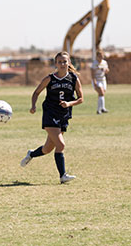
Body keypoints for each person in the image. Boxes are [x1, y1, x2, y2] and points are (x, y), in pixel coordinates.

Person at [20, 51, 84, 184]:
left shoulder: (74, 79)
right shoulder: (50, 78)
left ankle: (31, 154)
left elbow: (81, 99)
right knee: (61, 144)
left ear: (69, 63)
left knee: (48, 148)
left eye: (65, 61)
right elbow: (36, 92)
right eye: (59, 62)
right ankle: (63, 176)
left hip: (64, 115)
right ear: (55, 64)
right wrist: (33, 106)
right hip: (50, 114)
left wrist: (69, 103)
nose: (62, 64)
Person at [91, 50, 110, 114]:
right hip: (97, 80)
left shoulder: (104, 62)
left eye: (102, 56)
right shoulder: (94, 63)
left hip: (103, 80)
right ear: (97, 56)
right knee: (101, 92)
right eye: (99, 56)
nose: (101, 57)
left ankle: (102, 108)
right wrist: (94, 81)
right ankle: (99, 109)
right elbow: (92, 73)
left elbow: (107, 70)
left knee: (102, 94)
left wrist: (106, 70)